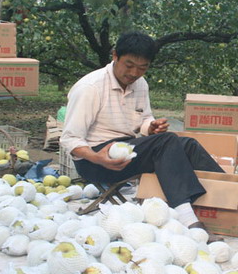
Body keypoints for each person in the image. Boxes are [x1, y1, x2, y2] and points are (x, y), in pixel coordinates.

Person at [60, 31, 225, 235]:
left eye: (142, 68)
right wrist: (97, 157)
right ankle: (188, 219)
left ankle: (229, 194)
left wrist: (151, 127)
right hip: (95, 160)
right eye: (129, 65)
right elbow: (69, 138)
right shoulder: (90, 88)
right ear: (115, 56)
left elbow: (143, 119)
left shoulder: (140, 84)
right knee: (165, 142)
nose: (134, 73)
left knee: (187, 144)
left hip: (128, 150)